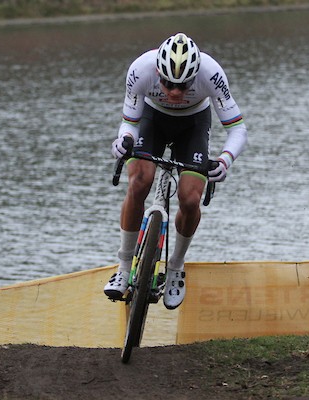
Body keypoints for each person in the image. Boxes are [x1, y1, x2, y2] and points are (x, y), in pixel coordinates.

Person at [104, 32, 248, 310]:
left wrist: (224, 160)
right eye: (168, 83)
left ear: (196, 76)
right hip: (152, 118)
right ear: (157, 72)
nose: (174, 92)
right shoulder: (140, 69)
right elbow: (129, 122)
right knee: (138, 182)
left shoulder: (212, 74)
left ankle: (175, 269)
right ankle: (123, 266)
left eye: (183, 86)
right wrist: (123, 142)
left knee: (191, 199)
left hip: (192, 124)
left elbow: (237, 129)